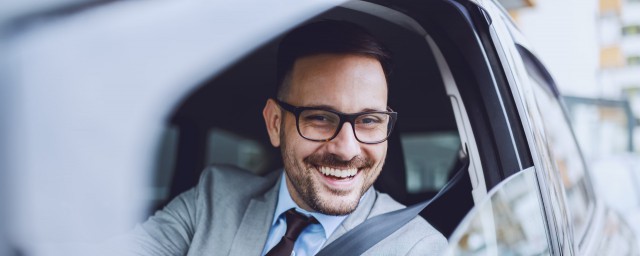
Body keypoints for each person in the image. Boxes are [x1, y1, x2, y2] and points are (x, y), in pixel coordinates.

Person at [121, 20, 447, 256]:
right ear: (275, 123)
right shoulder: (214, 198)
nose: (347, 149)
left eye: (369, 120)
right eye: (320, 118)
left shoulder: (418, 248)